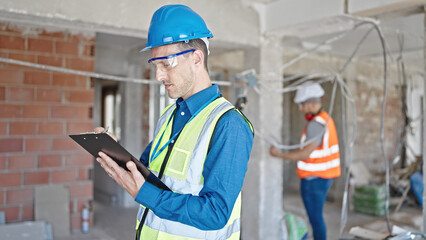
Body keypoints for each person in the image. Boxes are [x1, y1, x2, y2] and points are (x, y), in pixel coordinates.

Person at [95, 4, 254, 240]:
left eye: (166, 64)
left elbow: (216, 212)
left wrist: (146, 194)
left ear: (196, 58)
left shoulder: (228, 124)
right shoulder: (169, 115)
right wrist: (117, 157)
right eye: (155, 65)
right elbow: (150, 172)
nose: (159, 75)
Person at [269, 81, 340, 240]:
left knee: (315, 219)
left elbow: (304, 154)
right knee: (316, 218)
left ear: (312, 102)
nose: (300, 108)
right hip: (323, 177)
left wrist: (278, 154)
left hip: (315, 180)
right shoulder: (324, 119)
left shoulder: (315, 125)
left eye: (302, 104)